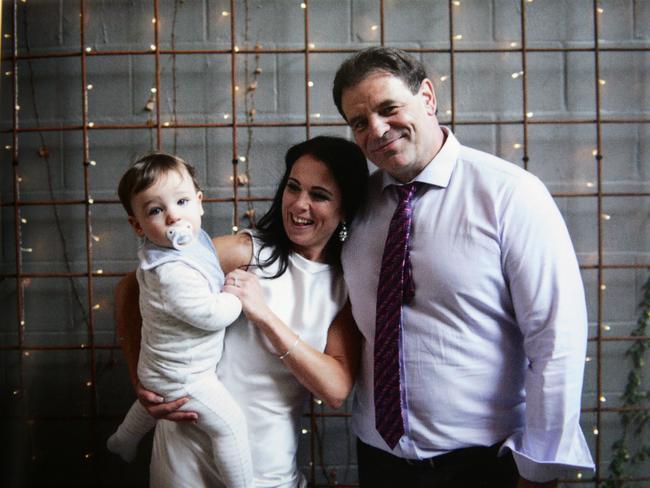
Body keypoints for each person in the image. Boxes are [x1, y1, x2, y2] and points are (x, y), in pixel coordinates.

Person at [332, 47, 595, 488]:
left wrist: (540, 467)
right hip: (379, 456)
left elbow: (556, 338)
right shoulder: (355, 205)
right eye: (359, 122)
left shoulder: (511, 195)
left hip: (485, 464)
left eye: (388, 108)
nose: (376, 129)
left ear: (428, 98)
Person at [114, 136, 369, 487]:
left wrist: (263, 315)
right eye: (293, 188)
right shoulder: (246, 251)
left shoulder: (345, 285)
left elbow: (336, 389)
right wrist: (143, 379)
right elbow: (134, 287)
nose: (298, 204)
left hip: (266, 464)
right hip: (186, 457)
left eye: (319, 195)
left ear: (346, 207)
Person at [108, 153, 253, 487]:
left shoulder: (184, 250)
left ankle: (122, 441)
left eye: (182, 201)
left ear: (199, 203)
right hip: (186, 377)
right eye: (156, 210)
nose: (174, 215)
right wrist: (234, 295)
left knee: (150, 404)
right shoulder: (171, 271)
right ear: (137, 225)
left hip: (158, 368)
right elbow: (210, 315)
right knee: (231, 427)